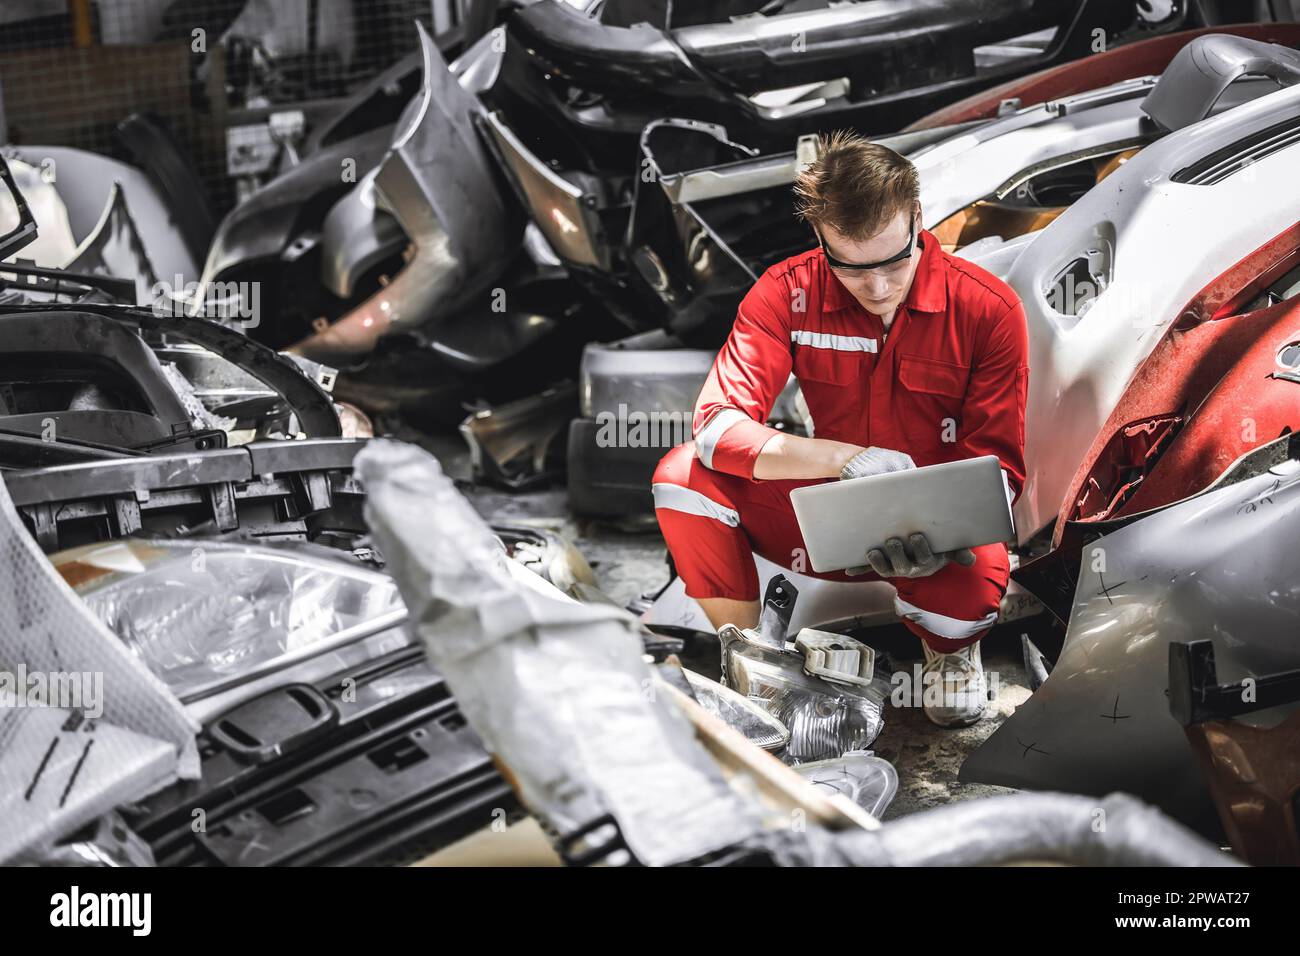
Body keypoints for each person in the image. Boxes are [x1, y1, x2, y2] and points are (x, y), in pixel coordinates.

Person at [651, 130, 1029, 727]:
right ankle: (752, 661)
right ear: (820, 240)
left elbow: (1001, 469)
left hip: (937, 533)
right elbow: (717, 431)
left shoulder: (988, 309)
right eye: (851, 269)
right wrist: (843, 460)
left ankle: (951, 653)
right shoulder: (785, 293)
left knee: (969, 602)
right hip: (827, 515)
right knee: (681, 478)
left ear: (918, 219)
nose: (877, 289)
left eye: (893, 261)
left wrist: (949, 537)